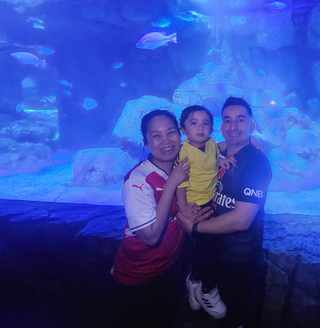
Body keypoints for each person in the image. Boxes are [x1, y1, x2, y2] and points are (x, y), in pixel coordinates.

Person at [178, 97, 272, 328]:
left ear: (251, 125)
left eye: (240, 120)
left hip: (239, 260)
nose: (233, 126)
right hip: (212, 253)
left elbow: (241, 220)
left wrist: (195, 228)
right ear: (221, 126)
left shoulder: (256, 163)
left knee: (235, 319)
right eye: (227, 120)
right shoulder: (218, 152)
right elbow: (204, 146)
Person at [109, 109, 207, 327]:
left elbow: (208, 148)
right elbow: (151, 238)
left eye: (171, 132)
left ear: (180, 135)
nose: (166, 140)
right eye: (156, 135)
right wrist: (172, 183)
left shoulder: (181, 167)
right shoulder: (138, 180)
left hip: (170, 269)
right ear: (146, 143)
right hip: (136, 278)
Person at [176, 105, 233, 319]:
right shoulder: (183, 152)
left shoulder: (210, 143)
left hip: (212, 200)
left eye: (205, 123)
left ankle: (195, 281)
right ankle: (198, 283)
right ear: (183, 129)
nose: (200, 128)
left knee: (211, 243)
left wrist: (222, 161)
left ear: (211, 127)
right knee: (202, 245)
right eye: (194, 123)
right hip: (195, 205)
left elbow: (215, 156)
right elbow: (180, 183)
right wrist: (184, 209)